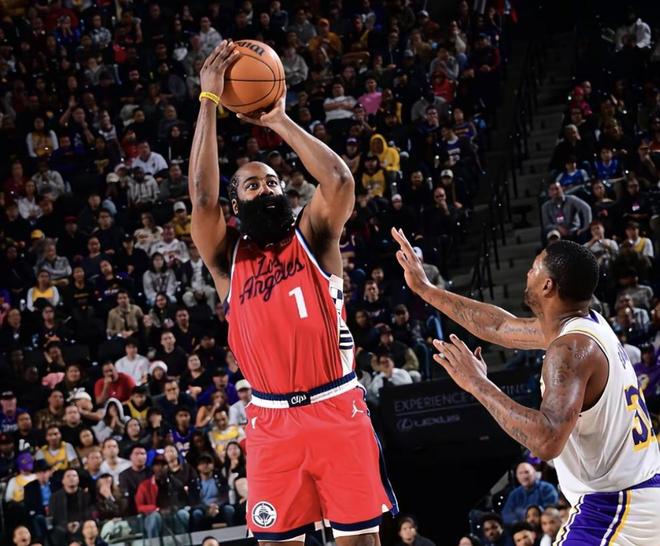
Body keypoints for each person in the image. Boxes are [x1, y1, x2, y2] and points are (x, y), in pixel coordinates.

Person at [189, 41, 397, 542]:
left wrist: (279, 121)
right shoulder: (227, 259)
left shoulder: (314, 236)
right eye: (252, 185)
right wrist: (209, 101)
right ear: (236, 206)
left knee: (361, 540)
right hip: (271, 422)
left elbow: (339, 180)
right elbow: (202, 198)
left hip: (336, 408)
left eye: (272, 182)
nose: (265, 189)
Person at [392, 228, 660, 545]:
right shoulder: (586, 326)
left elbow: (546, 441)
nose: (527, 274)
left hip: (614, 505)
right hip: (636, 493)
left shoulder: (570, 349)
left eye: (534, 268)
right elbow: (499, 326)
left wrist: (477, 383)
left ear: (548, 285)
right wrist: (425, 289)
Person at [49, 468, 94, 546]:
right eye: (68, 476)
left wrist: (79, 524)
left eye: (74, 476)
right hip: (62, 529)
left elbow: (89, 514)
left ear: (78, 480)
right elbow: (53, 516)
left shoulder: (85, 495)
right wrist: (66, 526)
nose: (71, 478)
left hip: (81, 527)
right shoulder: (55, 497)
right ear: (63, 481)